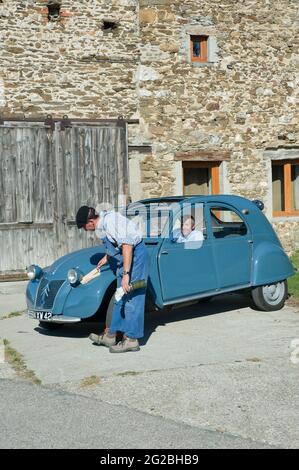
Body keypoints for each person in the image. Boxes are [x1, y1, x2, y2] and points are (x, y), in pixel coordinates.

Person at [76, 205, 149, 353]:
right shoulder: (102, 225)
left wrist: (127, 274)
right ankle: (111, 335)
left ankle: (131, 339)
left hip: (136, 257)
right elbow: (116, 243)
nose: (85, 230)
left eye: (84, 227)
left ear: (90, 221)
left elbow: (127, 245)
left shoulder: (110, 222)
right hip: (125, 257)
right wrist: (107, 256)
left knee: (131, 298)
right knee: (119, 297)